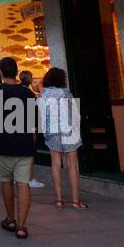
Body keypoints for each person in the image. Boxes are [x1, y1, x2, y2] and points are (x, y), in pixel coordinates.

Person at [0, 58, 36, 239]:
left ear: (1, 72)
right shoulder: (28, 93)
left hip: (4, 144)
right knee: (23, 184)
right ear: (16, 72)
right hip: (24, 144)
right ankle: (22, 226)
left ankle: (10, 218)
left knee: (6, 181)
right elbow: (33, 124)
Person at [39, 67, 85, 210]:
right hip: (69, 130)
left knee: (56, 164)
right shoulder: (67, 94)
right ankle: (75, 201)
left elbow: (42, 117)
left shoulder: (43, 95)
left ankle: (59, 199)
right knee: (72, 165)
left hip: (53, 131)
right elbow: (76, 115)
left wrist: (46, 133)